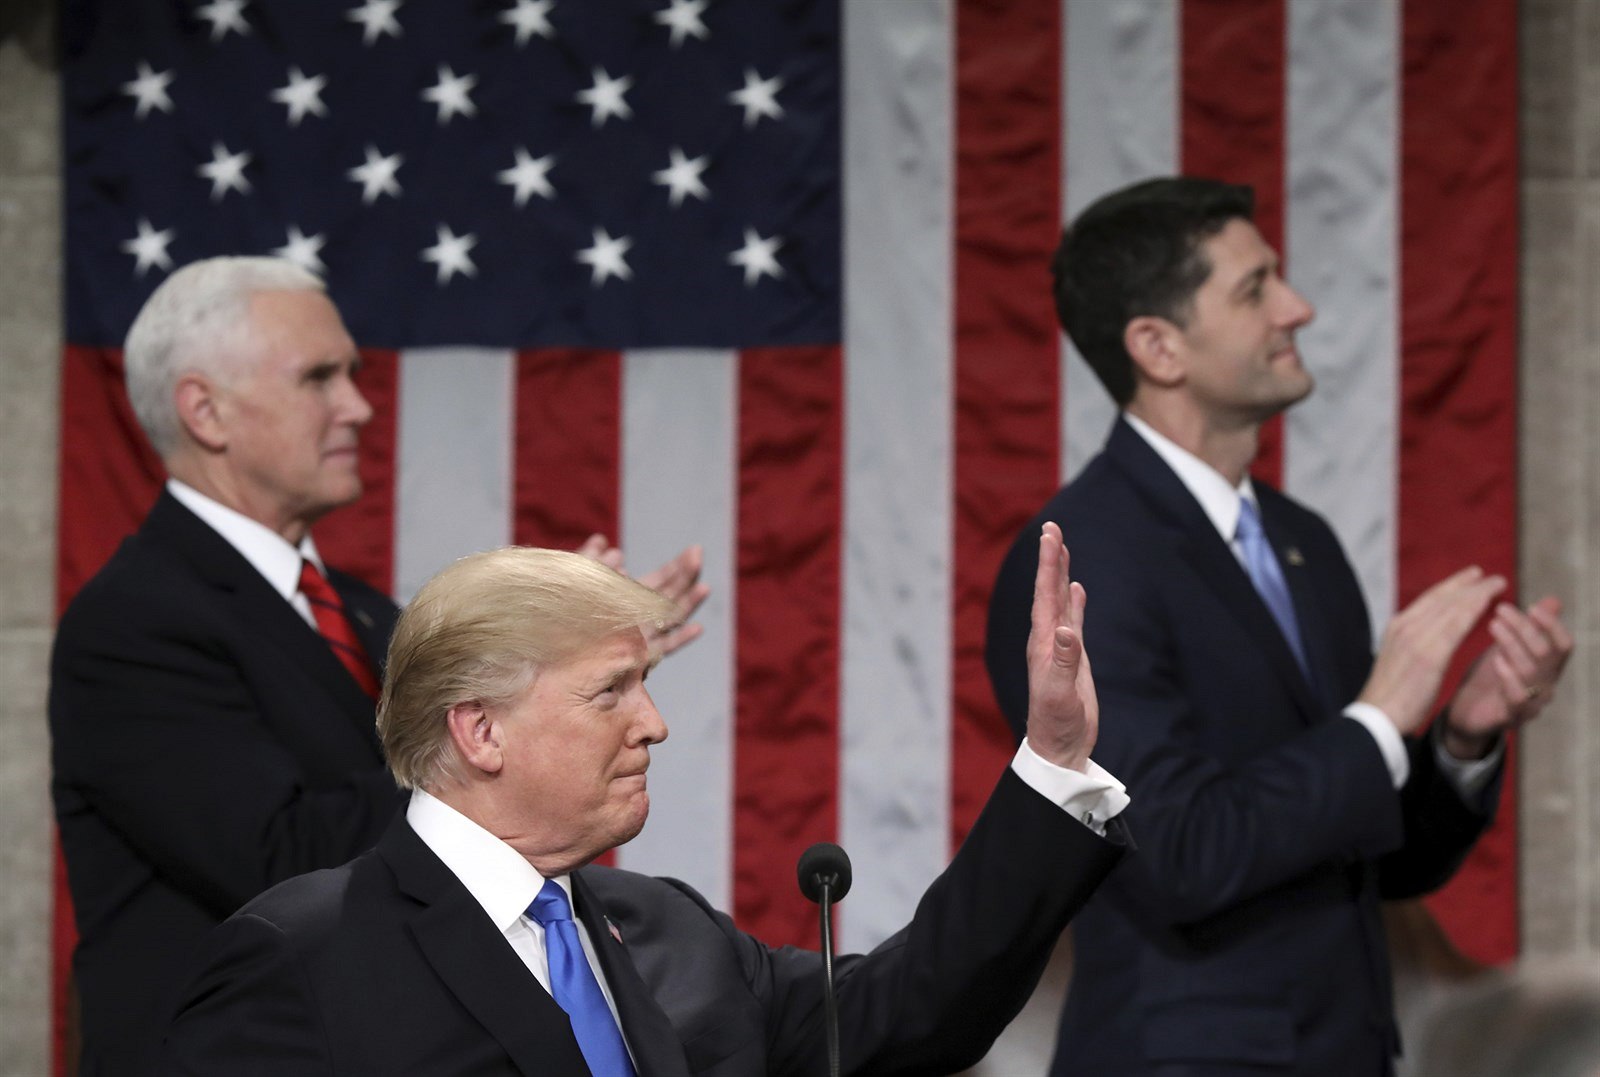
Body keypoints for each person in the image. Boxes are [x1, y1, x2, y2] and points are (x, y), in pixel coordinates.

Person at [49, 256, 707, 1076]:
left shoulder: (361, 610)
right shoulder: (133, 621)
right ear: (205, 410)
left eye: (351, 375)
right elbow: (280, 855)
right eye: (318, 378)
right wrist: (522, 705)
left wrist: (544, 677)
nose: (358, 406)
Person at [984, 177, 1572, 1076]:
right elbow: (1180, 855)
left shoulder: (1304, 544)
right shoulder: (1080, 567)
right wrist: (1378, 719)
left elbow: (1374, 853)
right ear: (1158, 347)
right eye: (1256, 288)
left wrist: (1460, 736)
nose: (1297, 309)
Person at [163, 528, 1128, 1075]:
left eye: (646, 685)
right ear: (480, 730)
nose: (656, 724)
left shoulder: (667, 929)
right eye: (611, 692)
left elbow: (911, 1009)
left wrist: (1052, 762)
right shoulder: (303, 955)